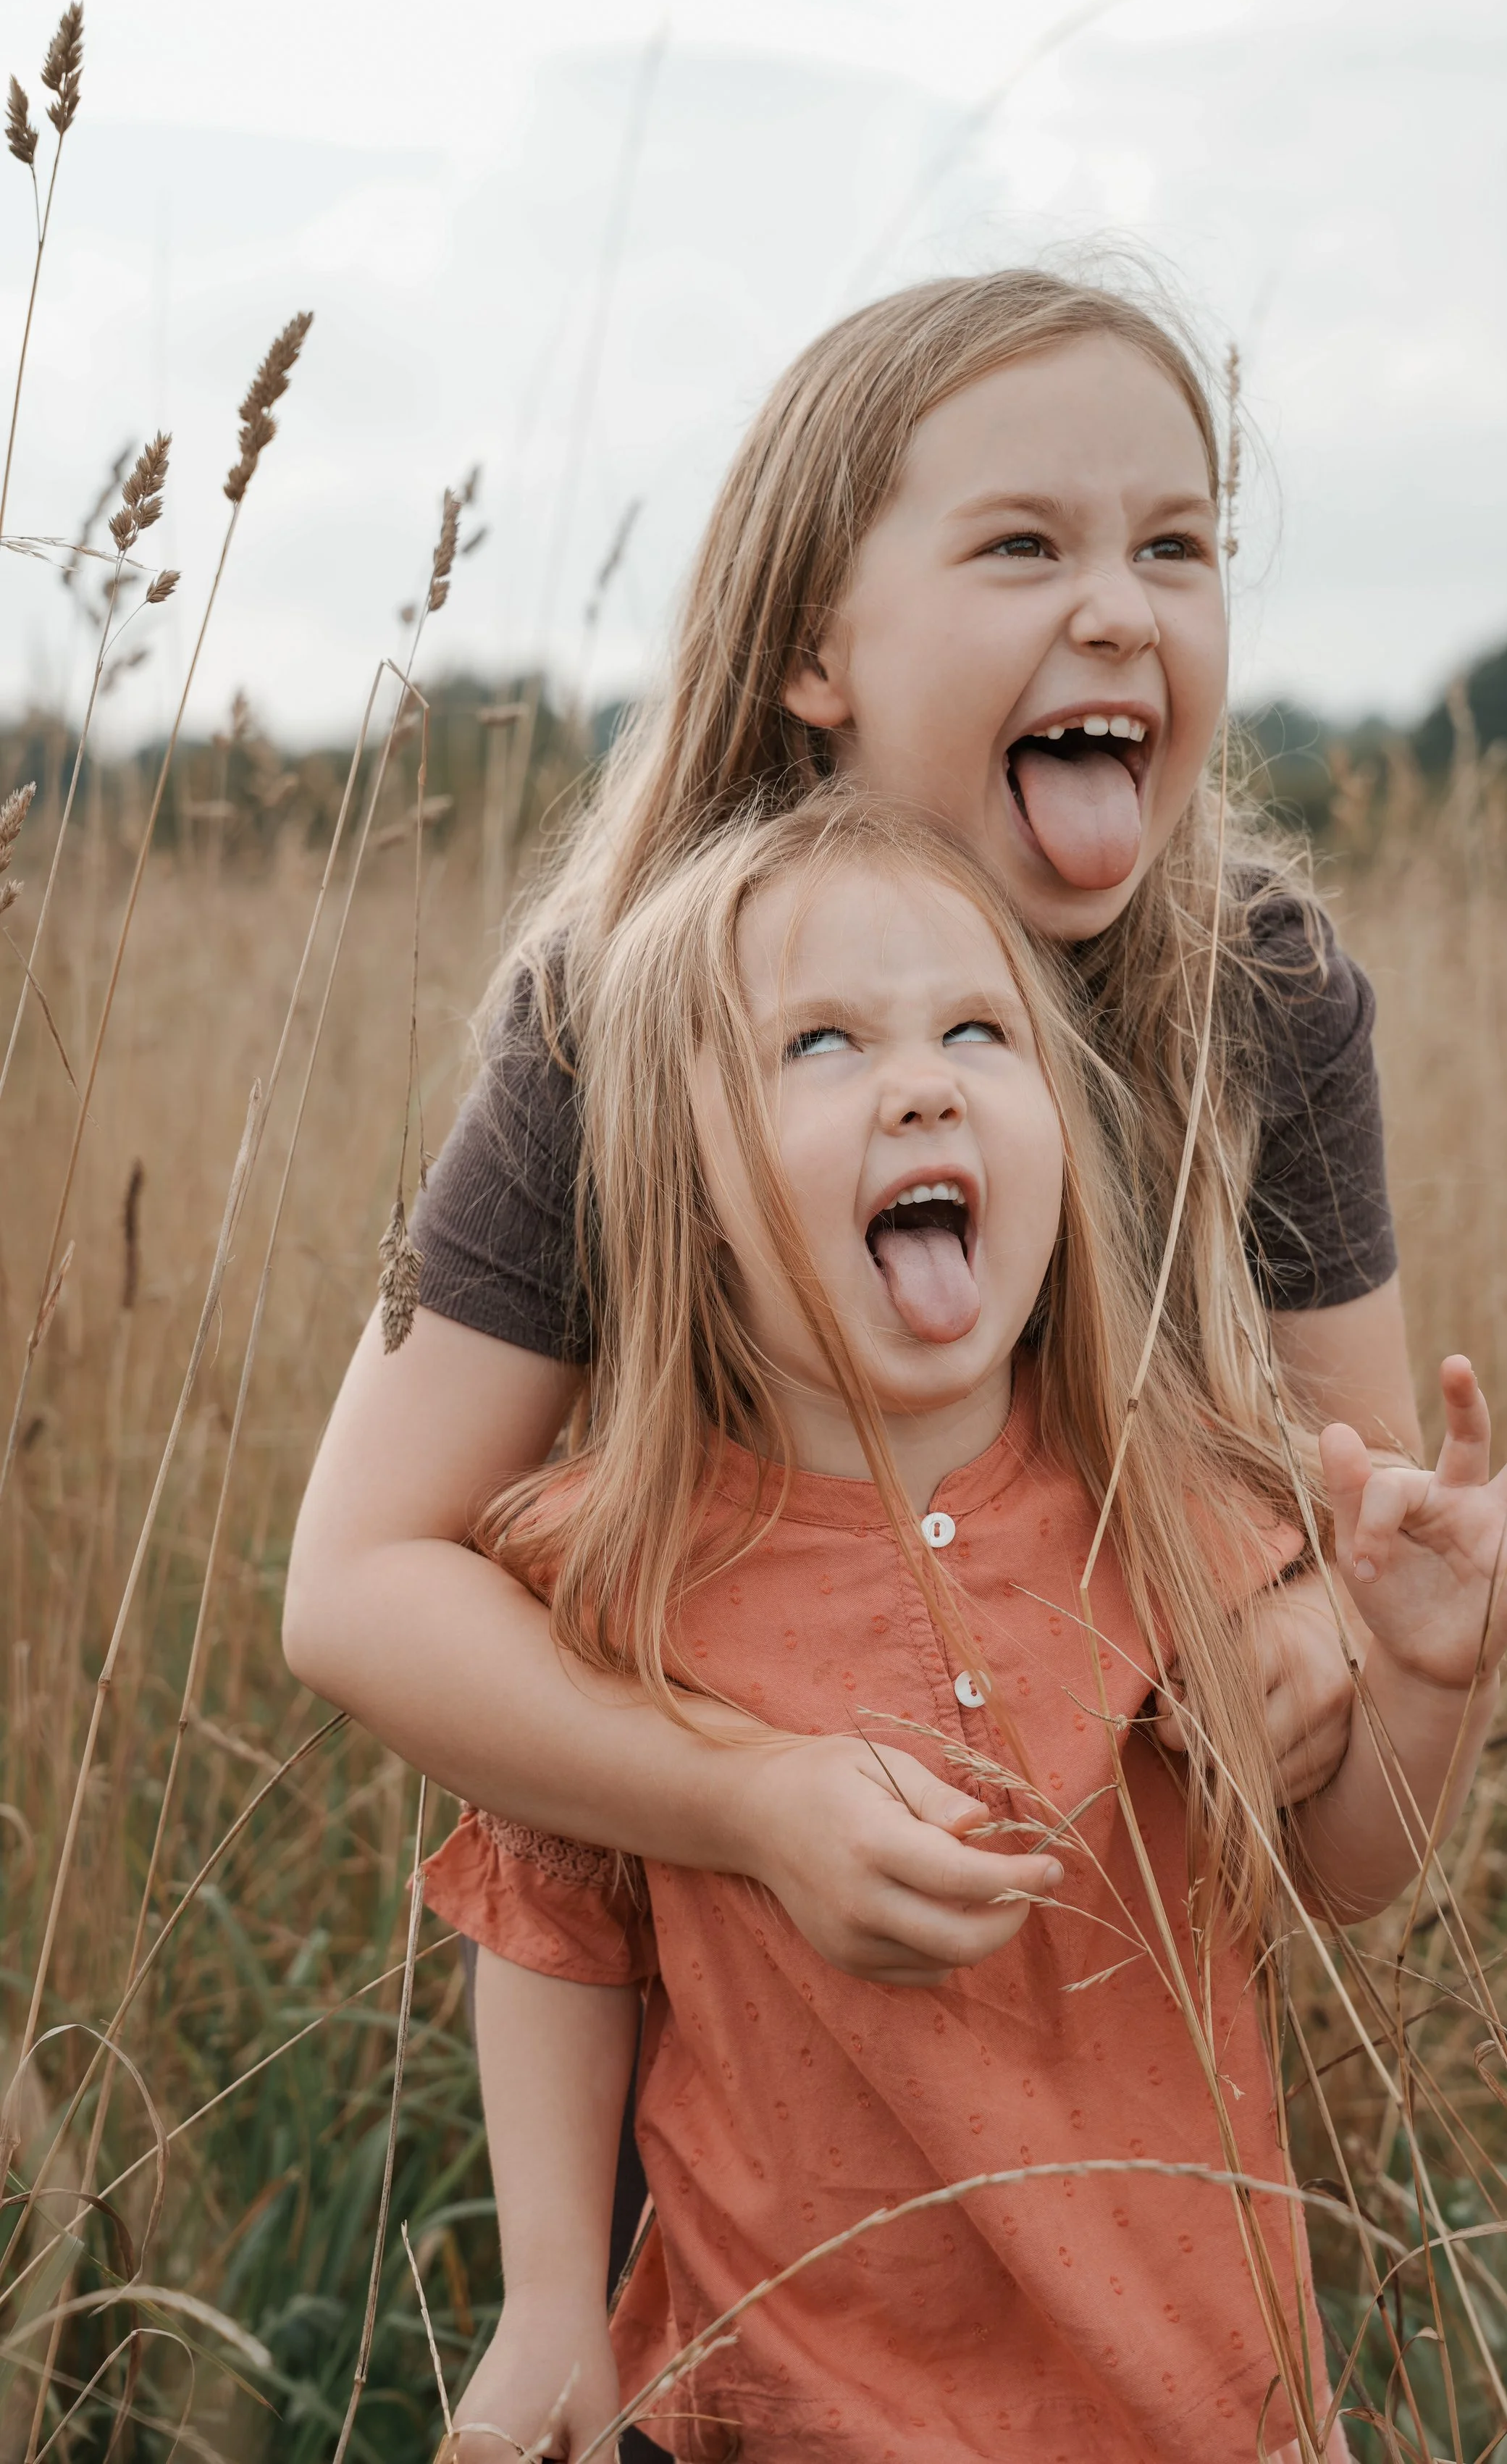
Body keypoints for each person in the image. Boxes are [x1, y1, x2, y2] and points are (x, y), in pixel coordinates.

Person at [424, 795, 1507, 2461]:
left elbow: (1333, 1876)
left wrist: (1424, 1673)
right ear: (680, 1191)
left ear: (1060, 1140)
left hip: (1191, 2407)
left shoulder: (1177, 1504)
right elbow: (554, 1934)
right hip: (778, 2414)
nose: (921, 1079)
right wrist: (550, 2299)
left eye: (978, 1032)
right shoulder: (616, 1566)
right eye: (821, 1045)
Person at [286, 269, 1421, 2004]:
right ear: (816, 649)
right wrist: (748, 1801)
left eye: (1175, 549)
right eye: (1024, 547)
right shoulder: (621, 1011)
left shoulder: (1252, 995)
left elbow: (1369, 1525)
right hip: (733, 2046)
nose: (1119, 609)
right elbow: (358, 1585)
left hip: (1120, 2039)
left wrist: (1318, 1625)